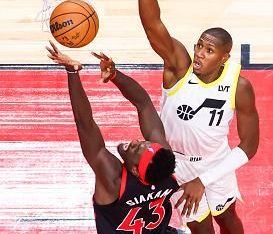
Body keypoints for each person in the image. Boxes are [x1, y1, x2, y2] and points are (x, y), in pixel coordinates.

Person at [131, 0, 260, 234]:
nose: (200, 53)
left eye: (209, 50)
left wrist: (205, 179)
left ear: (223, 57)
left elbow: (249, 146)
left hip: (217, 163)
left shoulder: (239, 87)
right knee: (201, 229)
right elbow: (152, 25)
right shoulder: (179, 69)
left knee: (228, 219)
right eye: (199, 45)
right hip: (176, 165)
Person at [46, 41, 181, 234]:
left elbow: (85, 124)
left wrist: (73, 72)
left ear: (135, 170)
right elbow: (143, 103)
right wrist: (115, 76)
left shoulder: (113, 179)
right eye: (142, 143)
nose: (135, 141)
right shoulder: (162, 161)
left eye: (135, 149)